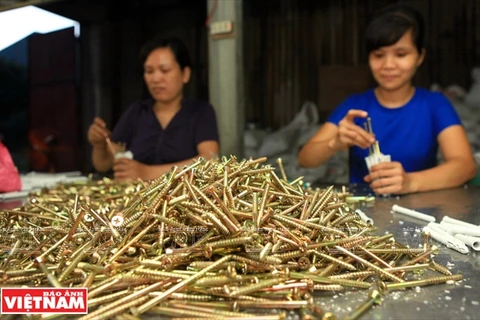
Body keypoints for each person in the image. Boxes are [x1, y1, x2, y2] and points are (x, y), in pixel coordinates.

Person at [298, 4, 476, 195]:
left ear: (419, 57)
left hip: (423, 214)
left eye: (401, 54)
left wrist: (411, 182)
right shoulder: (355, 106)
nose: (388, 65)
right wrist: (334, 143)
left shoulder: (435, 105)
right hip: (360, 214)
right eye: (378, 55)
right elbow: (305, 159)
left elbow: (466, 165)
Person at [87, 36, 219, 181]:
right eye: (149, 71)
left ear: (185, 74)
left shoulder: (200, 112)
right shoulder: (136, 112)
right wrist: (99, 145)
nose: (156, 79)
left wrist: (148, 173)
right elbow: (104, 164)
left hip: (184, 199)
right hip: (135, 199)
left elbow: (210, 160)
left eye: (165, 70)